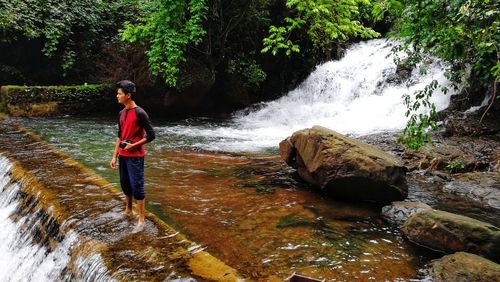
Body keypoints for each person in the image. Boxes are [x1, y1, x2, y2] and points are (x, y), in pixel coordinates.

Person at [110, 80, 155, 228]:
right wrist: (114, 156)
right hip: (123, 155)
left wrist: (133, 146)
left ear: (128, 95)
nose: (117, 96)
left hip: (135, 157)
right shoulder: (121, 113)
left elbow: (151, 135)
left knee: (137, 186)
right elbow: (119, 136)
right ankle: (128, 209)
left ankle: (141, 218)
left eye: (119, 94)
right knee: (125, 184)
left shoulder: (140, 113)